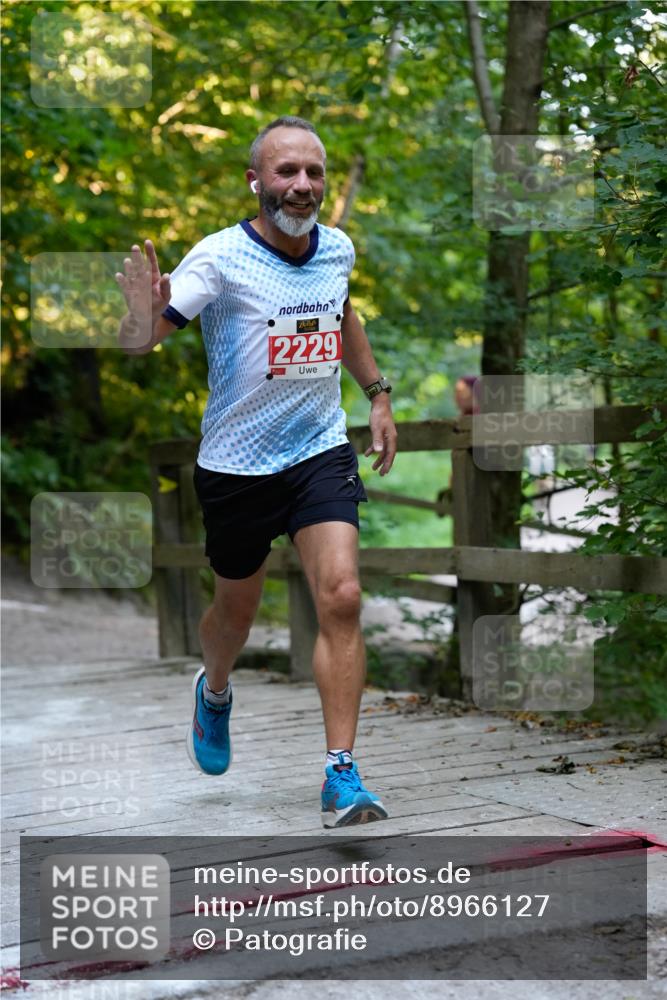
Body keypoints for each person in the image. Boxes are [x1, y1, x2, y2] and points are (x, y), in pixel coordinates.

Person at [116, 116, 397, 828]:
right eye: (285, 171)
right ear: (255, 181)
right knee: (234, 615)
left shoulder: (337, 248)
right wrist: (137, 316)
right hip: (237, 465)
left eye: (313, 172)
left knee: (342, 595)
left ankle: (341, 774)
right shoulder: (218, 258)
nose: (302, 185)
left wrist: (377, 393)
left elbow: (343, 317)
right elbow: (143, 341)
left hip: (318, 450)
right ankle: (214, 691)